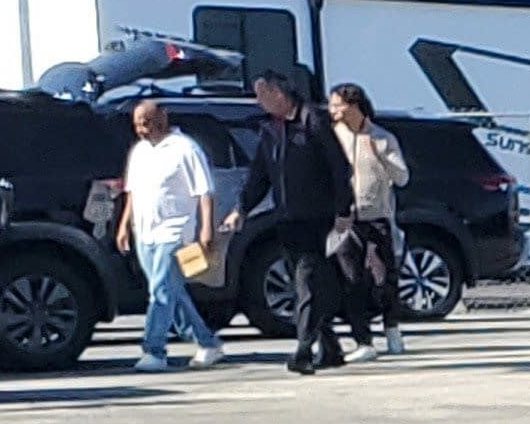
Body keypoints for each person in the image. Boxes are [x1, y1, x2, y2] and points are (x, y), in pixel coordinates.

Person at [239, 70, 351, 375]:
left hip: (317, 217)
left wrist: (343, 211)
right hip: (287, 219)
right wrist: (242, 209)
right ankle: (330, 347)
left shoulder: (312, 120)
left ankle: (303, 350)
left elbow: (339, 168)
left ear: (278, 93)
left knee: (307, 282)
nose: (258, 102)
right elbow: (260, 175)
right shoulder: (271, 130)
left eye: (262, 95)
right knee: (304, 284)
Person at [113, 95, 224, 374]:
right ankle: (207, 341)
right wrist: (124, 225)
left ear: (162, 119)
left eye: (146, 122)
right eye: (137, 124)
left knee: (160, 291)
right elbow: (132, 192)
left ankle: (154, 350)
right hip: (144, 232)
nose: (142, 129)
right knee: (171, 290)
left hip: (175, 231)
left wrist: (206, 228)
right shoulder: (139, 152)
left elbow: (204, 191)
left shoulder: (185, 148)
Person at [328, 82, 410, 358]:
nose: (332, 110)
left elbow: (402, 177)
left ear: (353, 106)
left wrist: (380, 154)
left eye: (337, 105)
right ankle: (363, 341)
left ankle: (392, 328)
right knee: (351, 279)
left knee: (383, 278)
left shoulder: (382, 137)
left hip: (376, 217)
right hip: (345, 219)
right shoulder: (332, 136)